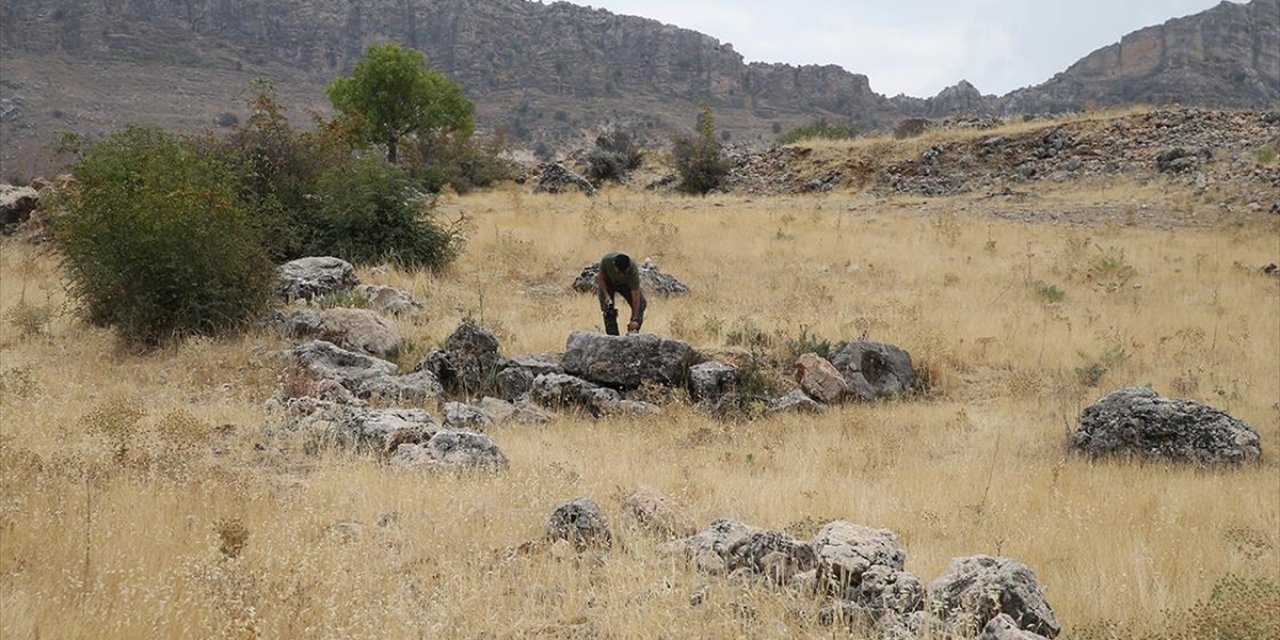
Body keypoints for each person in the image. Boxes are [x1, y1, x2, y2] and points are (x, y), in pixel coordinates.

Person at [595, 252, 646, 335]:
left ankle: (632, 333)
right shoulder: (606, 261)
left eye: (624, 272)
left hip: (626, 285)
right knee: (608, 309)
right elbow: (600, 278)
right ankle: (612, 336)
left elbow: (636, 297)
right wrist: (606, 296)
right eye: (619, 271)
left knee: (641, 304)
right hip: (608, 283)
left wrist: (634, 318)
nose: (621, 275)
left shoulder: (633, 270)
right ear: (614, 265)